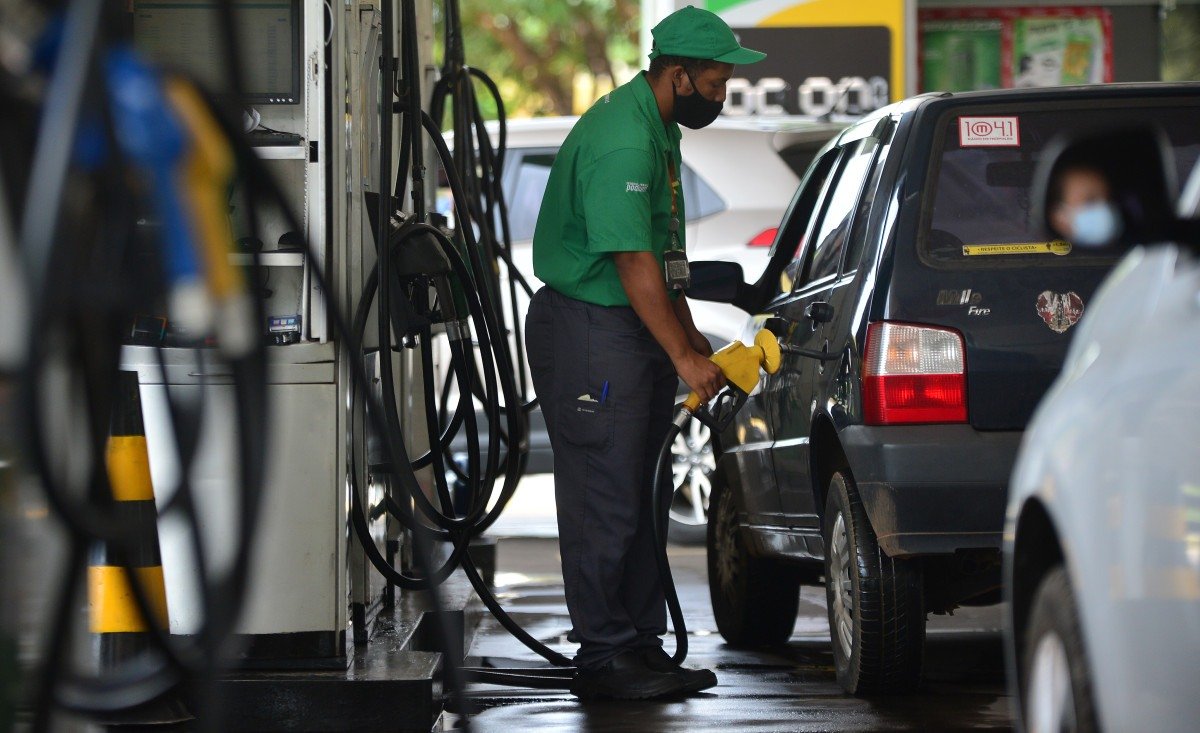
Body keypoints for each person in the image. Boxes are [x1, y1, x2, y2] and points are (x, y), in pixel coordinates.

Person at [524, 5, 765, 701]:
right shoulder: (626, 141)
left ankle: (637, 643)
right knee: (606, 493)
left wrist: (691, 344)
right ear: (678, 75)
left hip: (627, 327)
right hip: (592, 328)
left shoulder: (658, 130)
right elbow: (631, 261)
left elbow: (664, 262)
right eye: (716, 82)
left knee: (640, 490)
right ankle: (604, 656)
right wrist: (686, 360)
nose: (722, 95)